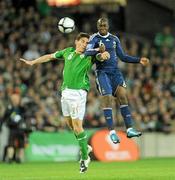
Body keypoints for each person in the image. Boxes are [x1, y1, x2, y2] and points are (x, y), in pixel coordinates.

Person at [19, 32, 109, 173]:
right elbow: (49, 56)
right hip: (65, 93)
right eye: (83, 41)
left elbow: (101, 55)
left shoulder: (89, 55)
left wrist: (104, 54)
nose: (85, 44)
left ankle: (85, 157)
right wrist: (33, 62)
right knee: (70, 125)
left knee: (78, 126)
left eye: (87, 42)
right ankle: (85, 145)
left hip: (78, 93)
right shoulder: (67, 52)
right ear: (76, 41)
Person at [85, 18, 149, 144]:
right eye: (100, 25)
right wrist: (99, 50)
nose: (102, 27)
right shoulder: (94, 38)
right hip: (102, 73)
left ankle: (129, 129)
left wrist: (138, 60)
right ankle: (112, 132)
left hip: (115, 72)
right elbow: (87, 52)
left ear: (108, 26)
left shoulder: (114, 39)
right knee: (107, 97)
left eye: (104, 25)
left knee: (123, 96)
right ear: (97, 26)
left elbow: (123, 56)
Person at [0, 93, 26, 163]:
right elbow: (4, 118)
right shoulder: (9, 108)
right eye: (14, 99)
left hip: (21, 128)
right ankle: (10, 158)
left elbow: (26, 116)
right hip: (12, 128)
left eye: (16, 99)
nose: (15, 100)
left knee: (21, 144)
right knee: (10, 143)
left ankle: (20, 158)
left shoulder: (22, 108)